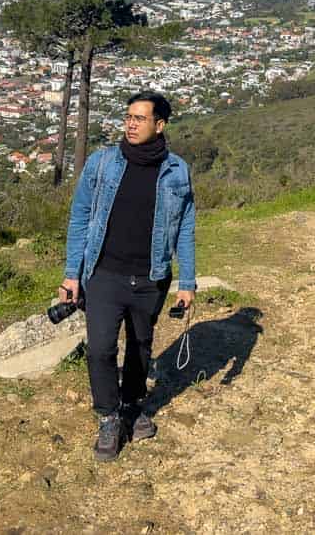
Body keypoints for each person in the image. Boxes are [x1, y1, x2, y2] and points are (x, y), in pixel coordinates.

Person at [60, 90, 196, 462]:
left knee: (140, 348)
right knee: (101, 349)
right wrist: (71, 274)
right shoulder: (103, 163)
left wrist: (187, 282)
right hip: (104, 272)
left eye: (140, 118)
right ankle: (108, 416)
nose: (131, 124)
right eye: (128, 117)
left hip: (150, 277)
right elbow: (80, 217)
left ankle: (133, 406)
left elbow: (185, 228)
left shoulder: (177, 170)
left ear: (160, 124)